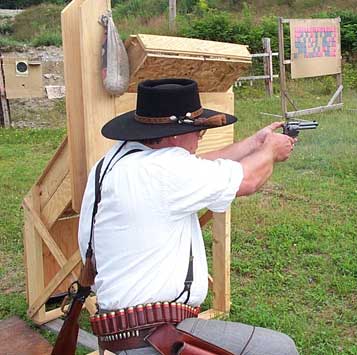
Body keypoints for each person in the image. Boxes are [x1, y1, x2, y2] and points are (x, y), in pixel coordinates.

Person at [78, 78, 299, 355]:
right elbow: (249, 180)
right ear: (173, 135)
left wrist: (254, 143)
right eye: (198, 131)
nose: (199, 138)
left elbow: (198, 166)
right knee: (279, 348)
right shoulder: (165, 171)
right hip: (152, 336)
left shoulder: (119, 159)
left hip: (126, 331)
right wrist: (271, 151)